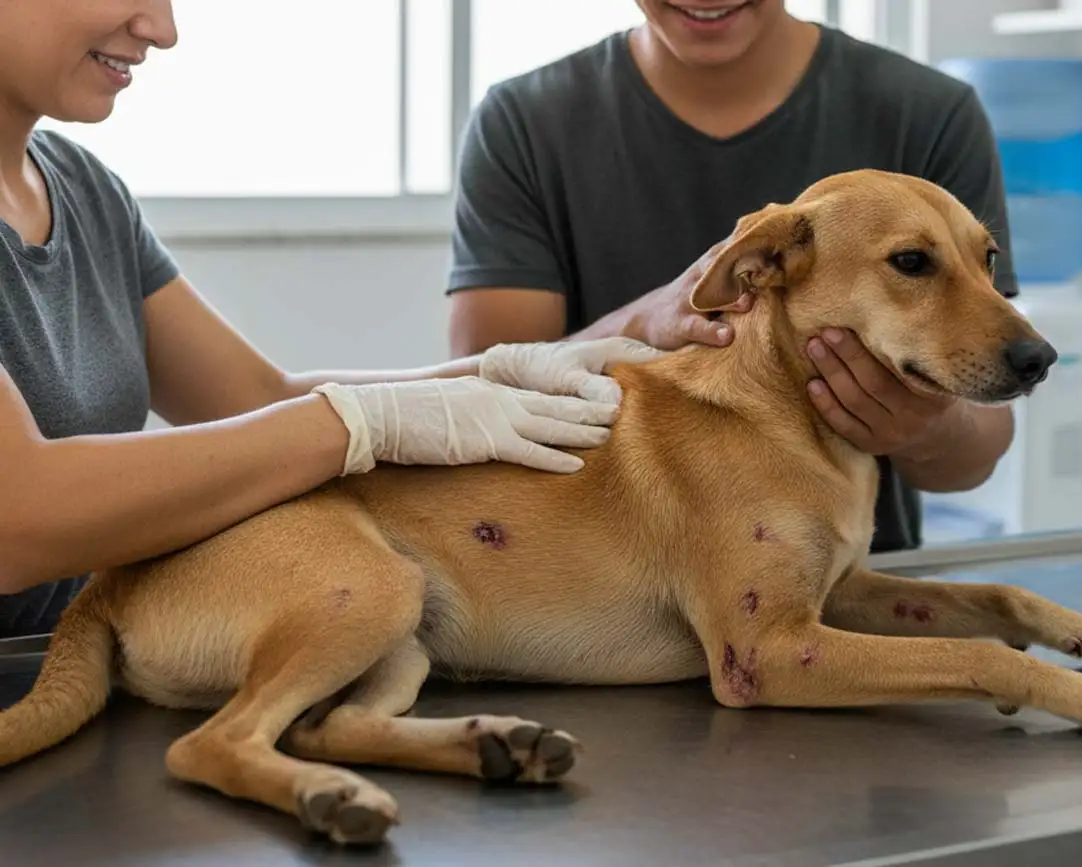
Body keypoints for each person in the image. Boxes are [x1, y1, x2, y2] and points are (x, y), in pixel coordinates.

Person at [0, 0, 663, 639]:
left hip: (67, 671)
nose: (163, 29)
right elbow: (17, 518)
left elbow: (254, 401)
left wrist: (512, 373)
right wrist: (361, 422)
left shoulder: (87, 193)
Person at [446, 0, 1021, 552]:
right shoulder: (523, 123)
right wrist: (641, 323)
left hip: (849, 593)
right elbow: (481, 404)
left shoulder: (928, 113)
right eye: (912, 261)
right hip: (589, 592)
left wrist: (927, 431)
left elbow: (977, 453)